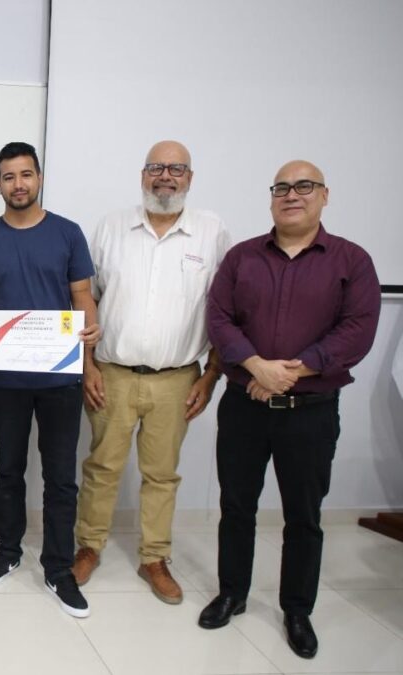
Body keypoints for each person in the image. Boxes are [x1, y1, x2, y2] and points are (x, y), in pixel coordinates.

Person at [199, 160, 380, 659]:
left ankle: (297, 609)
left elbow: (357, 329)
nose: (291, 194)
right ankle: (232, 592)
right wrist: (258, 367)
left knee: (304, 514)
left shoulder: (351, 261)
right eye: (282, 187)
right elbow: (219, 319)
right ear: (271, 197)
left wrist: (291, 372)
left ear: (324, 195)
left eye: (304, 186)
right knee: (236, 507)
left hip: (311, 411)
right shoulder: (241, 258)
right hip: (244, 407)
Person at [73, 141, 231, 605]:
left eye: (176, 169)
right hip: (112, 372)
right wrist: (85, 366)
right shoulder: (110, 228)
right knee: (102, 467)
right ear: (143, 175)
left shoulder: (212, 232)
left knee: (162, 474)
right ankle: (88, 547)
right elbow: (86, 301)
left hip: (179, 377)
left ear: (190, 177)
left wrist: (210, 377)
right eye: (156, 168)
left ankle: (155, 557)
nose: (166, 176)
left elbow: (225, 310)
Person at [0, 142, 98, 617]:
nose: (17, 184)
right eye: (8, 176)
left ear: (39, 178)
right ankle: (7, 551)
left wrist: (91, 339)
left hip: (61, 377)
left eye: (26, 175)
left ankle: (59, 568)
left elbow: (82, 295)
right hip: (6, 379)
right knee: (8, 471)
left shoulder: (67, 234)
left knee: (61, 477)